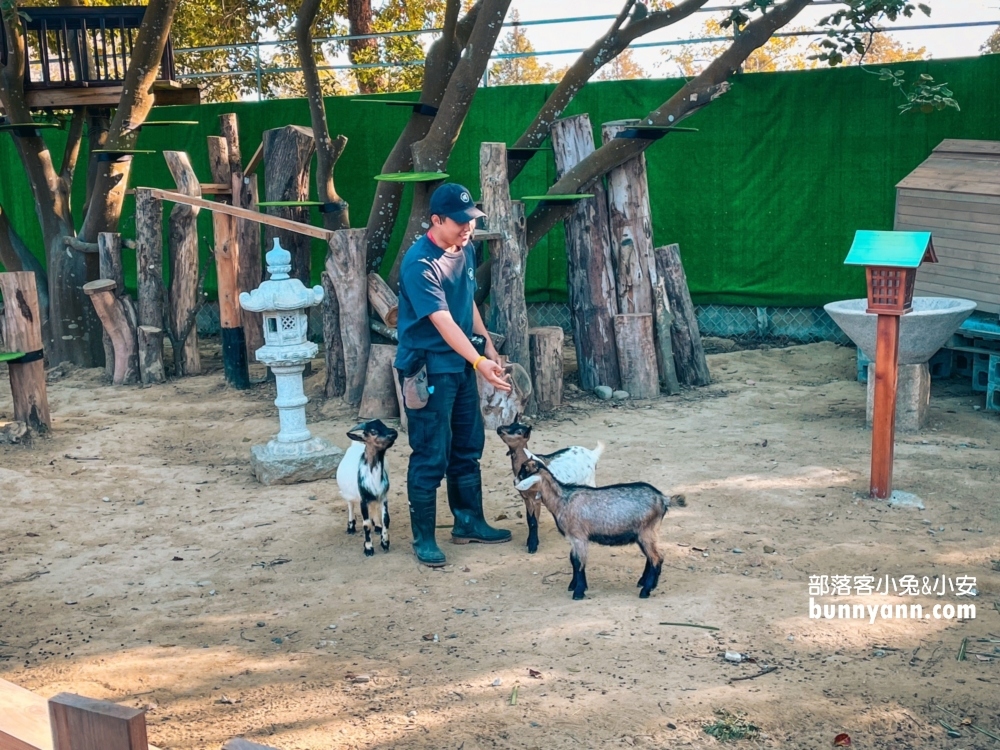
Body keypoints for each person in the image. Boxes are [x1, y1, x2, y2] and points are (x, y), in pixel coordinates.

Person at [394, 183, 513, 567]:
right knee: (431, 452)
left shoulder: (465, 249)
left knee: (467, 445)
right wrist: (480, 363)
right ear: (436, 220)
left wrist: (487, 345)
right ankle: (424, 537)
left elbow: (466, 303)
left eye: (471, 221)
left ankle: (469, 522)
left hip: (461, 363)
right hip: (428, 368)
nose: (468, 228)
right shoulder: (420, 263)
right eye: (460, 222)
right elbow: (443, 322)